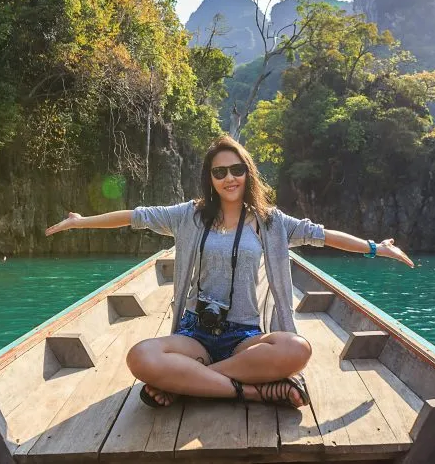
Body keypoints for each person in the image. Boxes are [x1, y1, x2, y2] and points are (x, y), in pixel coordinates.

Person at [45, 135, 414, 409]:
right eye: (219, 172)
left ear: (247, 173)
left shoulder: (272, 223)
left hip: (244, 337)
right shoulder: (189, 215)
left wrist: (374, 248)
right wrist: (80, 222)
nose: (229, 178)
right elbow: (134, 216)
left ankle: (189, 382)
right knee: (140, 357)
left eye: (236, 169)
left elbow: (323, 235)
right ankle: (251, 391)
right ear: (210, 177)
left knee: (296, 348)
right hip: (196, 332)